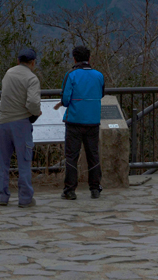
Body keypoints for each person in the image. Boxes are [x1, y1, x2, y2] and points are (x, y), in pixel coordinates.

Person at [0, 48, 42, 208]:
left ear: (17, 61)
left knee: (3, 161)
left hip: (2, 122)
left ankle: (2, 196)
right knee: (24, 162)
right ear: (33, 63)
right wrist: (36, 113)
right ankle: (25, 198)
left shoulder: (8, 73)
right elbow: (33, 103)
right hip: (21, 122)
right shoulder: (32, 78)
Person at [59, 44, 105, 200]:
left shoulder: (71, 75)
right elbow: (102, 93)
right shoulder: (99, 75)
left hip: (74, 120)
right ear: (89, 58)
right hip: (93, 120)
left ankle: (70, 190)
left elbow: (65, 100)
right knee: (93, 154)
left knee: (72, 156)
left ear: (74, 58)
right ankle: (95, 188)